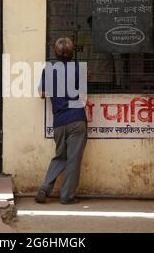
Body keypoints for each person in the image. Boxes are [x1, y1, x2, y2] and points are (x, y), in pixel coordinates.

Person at [35, 37, 88, 205]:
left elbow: (42, 93)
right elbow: (83, 98)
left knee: (60, 157)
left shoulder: (48, 70)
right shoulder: (79, 69)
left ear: (55, 53)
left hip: (58, 121)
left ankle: (44, 188)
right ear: (72, 53)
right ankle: (67, 197)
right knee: (73, 160)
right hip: (76, 120)